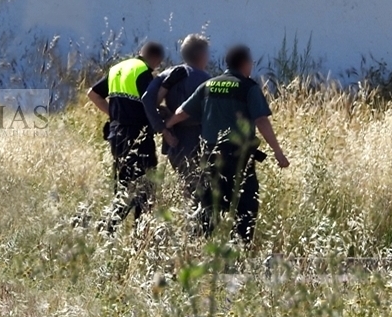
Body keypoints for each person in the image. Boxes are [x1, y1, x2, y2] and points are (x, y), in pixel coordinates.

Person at [165, 44, 288, 243]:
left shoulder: (208, 85)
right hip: (239, 159)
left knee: (207, 207)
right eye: (251, 63)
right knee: (245, 207)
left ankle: (198, 251)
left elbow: (182, 112)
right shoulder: (248, 87)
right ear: (245, 64)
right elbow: (261, 120)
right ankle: (236, 254)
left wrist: (166, 126)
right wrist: (278, 152)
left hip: (210, 157)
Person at [87, 41, 166, 232]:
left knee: (123, 186)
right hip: (137, 135)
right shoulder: (143, 72)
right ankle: (137, 236)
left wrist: (113, 115)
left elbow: (93, 94)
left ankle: (109, 230)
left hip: (116, 134)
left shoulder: (117, 68)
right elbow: (150, 102)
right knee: (145, 188)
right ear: (155, 59)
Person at [140, 34, 212, 230]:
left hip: (174, 141)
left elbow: (147, 99)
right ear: (202, 55)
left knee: (187, 186)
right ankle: (197, 232)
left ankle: (191, 229)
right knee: (200, 190)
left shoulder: (168, 74)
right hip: (196, 138)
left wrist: (162, 127)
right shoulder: (206, 79)